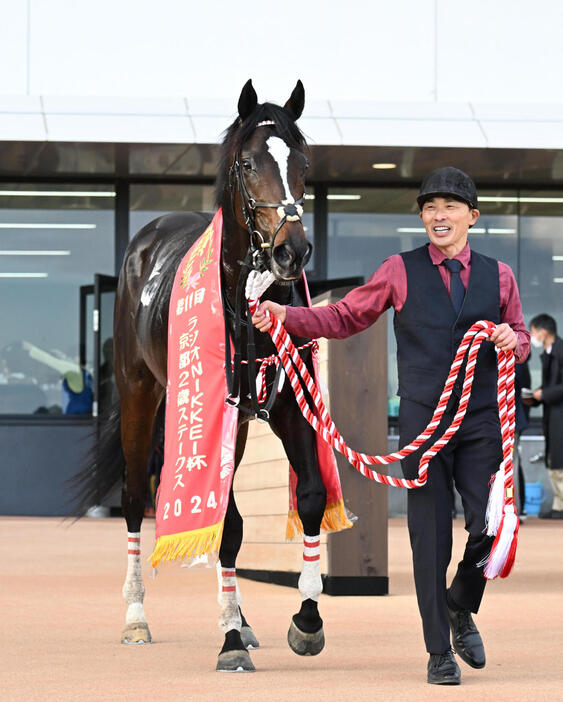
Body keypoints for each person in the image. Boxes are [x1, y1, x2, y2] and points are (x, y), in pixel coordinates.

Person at [252, 167, 530, 685]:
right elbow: (345, 316)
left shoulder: (501, 276)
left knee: (489, 527)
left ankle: (460, 603)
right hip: (425, 419)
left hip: (482, 422)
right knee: (428, 538)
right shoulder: (399, 270)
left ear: (472, 216)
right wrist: (286, 318)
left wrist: (515, 340)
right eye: (429, 207)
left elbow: (519, 332)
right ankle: (437, 652)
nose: (437, 216)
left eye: (448, 207)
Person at [528, 314, 563, 519]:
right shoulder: (549, 353)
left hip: (559, 415)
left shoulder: (560, 350)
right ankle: (559, 504)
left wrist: (544, 394)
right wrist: (536, 396)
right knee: (554, 460)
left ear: (543, 331)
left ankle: (560, 505)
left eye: (533, 332)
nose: (533, 336)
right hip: (552, 414)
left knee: (559, 460)